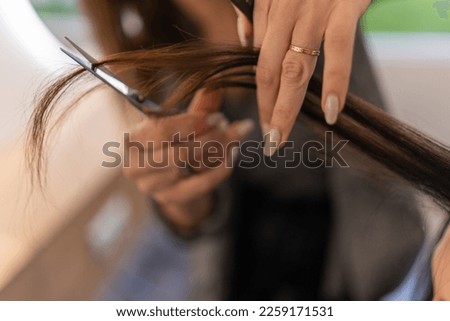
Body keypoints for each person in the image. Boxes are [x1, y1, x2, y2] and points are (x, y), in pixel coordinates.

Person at [29, 0, 450, 300]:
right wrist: (182, 201)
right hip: (239, 252)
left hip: (356, 243)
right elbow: (196, 222)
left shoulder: (305, 12)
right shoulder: (143, 55)